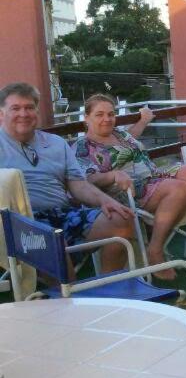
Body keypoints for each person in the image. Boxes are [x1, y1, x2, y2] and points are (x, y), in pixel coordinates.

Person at [73, 94, 186, 279]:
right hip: (127, 190)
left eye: (111, 114)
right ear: (86, 118)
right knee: (181, 189)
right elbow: (86, 180)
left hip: (155, 176)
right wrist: (112, 175)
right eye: (99, 114)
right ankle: (154, 250)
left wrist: (144, 119)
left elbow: (131, 138)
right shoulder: (83, 146)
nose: (107, 119)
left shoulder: (120, 134)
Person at [0, 82, 134, 274]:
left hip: (61, 214)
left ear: (36, 111)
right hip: (19, 223)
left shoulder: (56, 143)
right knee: (52, 244)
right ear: (1, 113)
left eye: (29, 107)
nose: (24, 114)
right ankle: (66, 291)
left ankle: (107, 287)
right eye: (16, 108)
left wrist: (105, 200)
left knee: (120, 219)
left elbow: (78, 184)